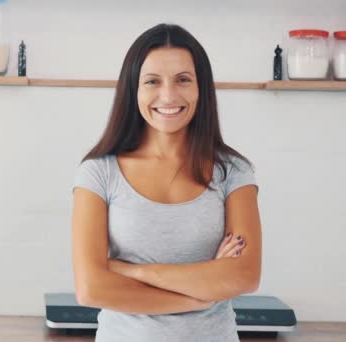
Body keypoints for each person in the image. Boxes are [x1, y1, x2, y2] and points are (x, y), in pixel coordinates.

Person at [71, 23, 261, 342]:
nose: (169, 95)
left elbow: (244, 275)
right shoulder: (98, 173)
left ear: (201, 88)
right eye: (152, 81)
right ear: (134, 89)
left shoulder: (233, 172)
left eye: (183, 80)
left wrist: (132, 270)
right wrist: (199, 294)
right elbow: (92, 288)